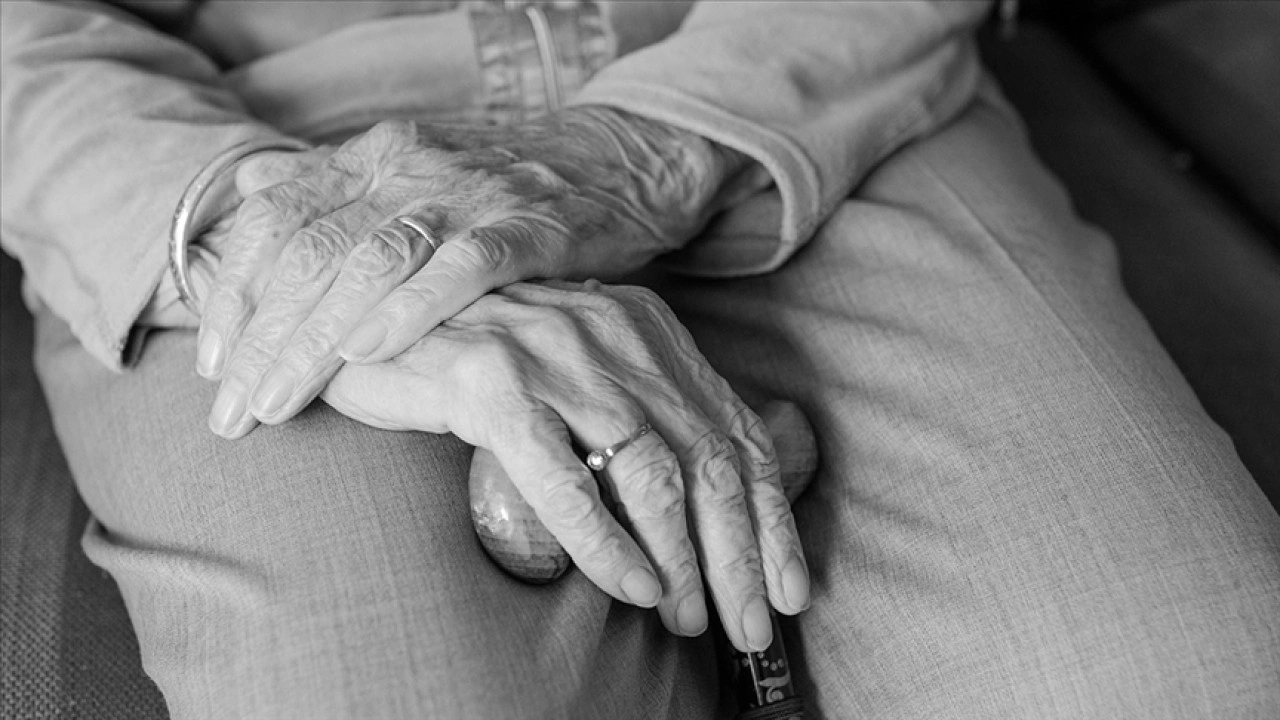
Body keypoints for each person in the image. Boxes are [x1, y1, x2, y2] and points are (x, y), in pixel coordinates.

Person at [2, 1, 1277, 718]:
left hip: (796, 73)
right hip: (228, 144)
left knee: (1181, 677)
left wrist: (646, 145)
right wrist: (303, 245)